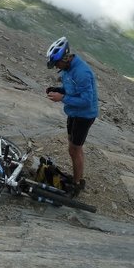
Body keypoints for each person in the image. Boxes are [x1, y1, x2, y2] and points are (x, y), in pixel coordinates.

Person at [45, 36, 99, 197]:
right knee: (73, 147)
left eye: (56, 63)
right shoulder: (68, 68)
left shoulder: (82, 72)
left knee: (75, 149)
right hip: (74, 113)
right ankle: (77, 178)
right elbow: (72, 87)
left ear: (65, 58)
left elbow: (87, 100)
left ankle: (77, 184)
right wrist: (59, 89)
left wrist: (62, 98)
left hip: (84, 116)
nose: (56, 67)